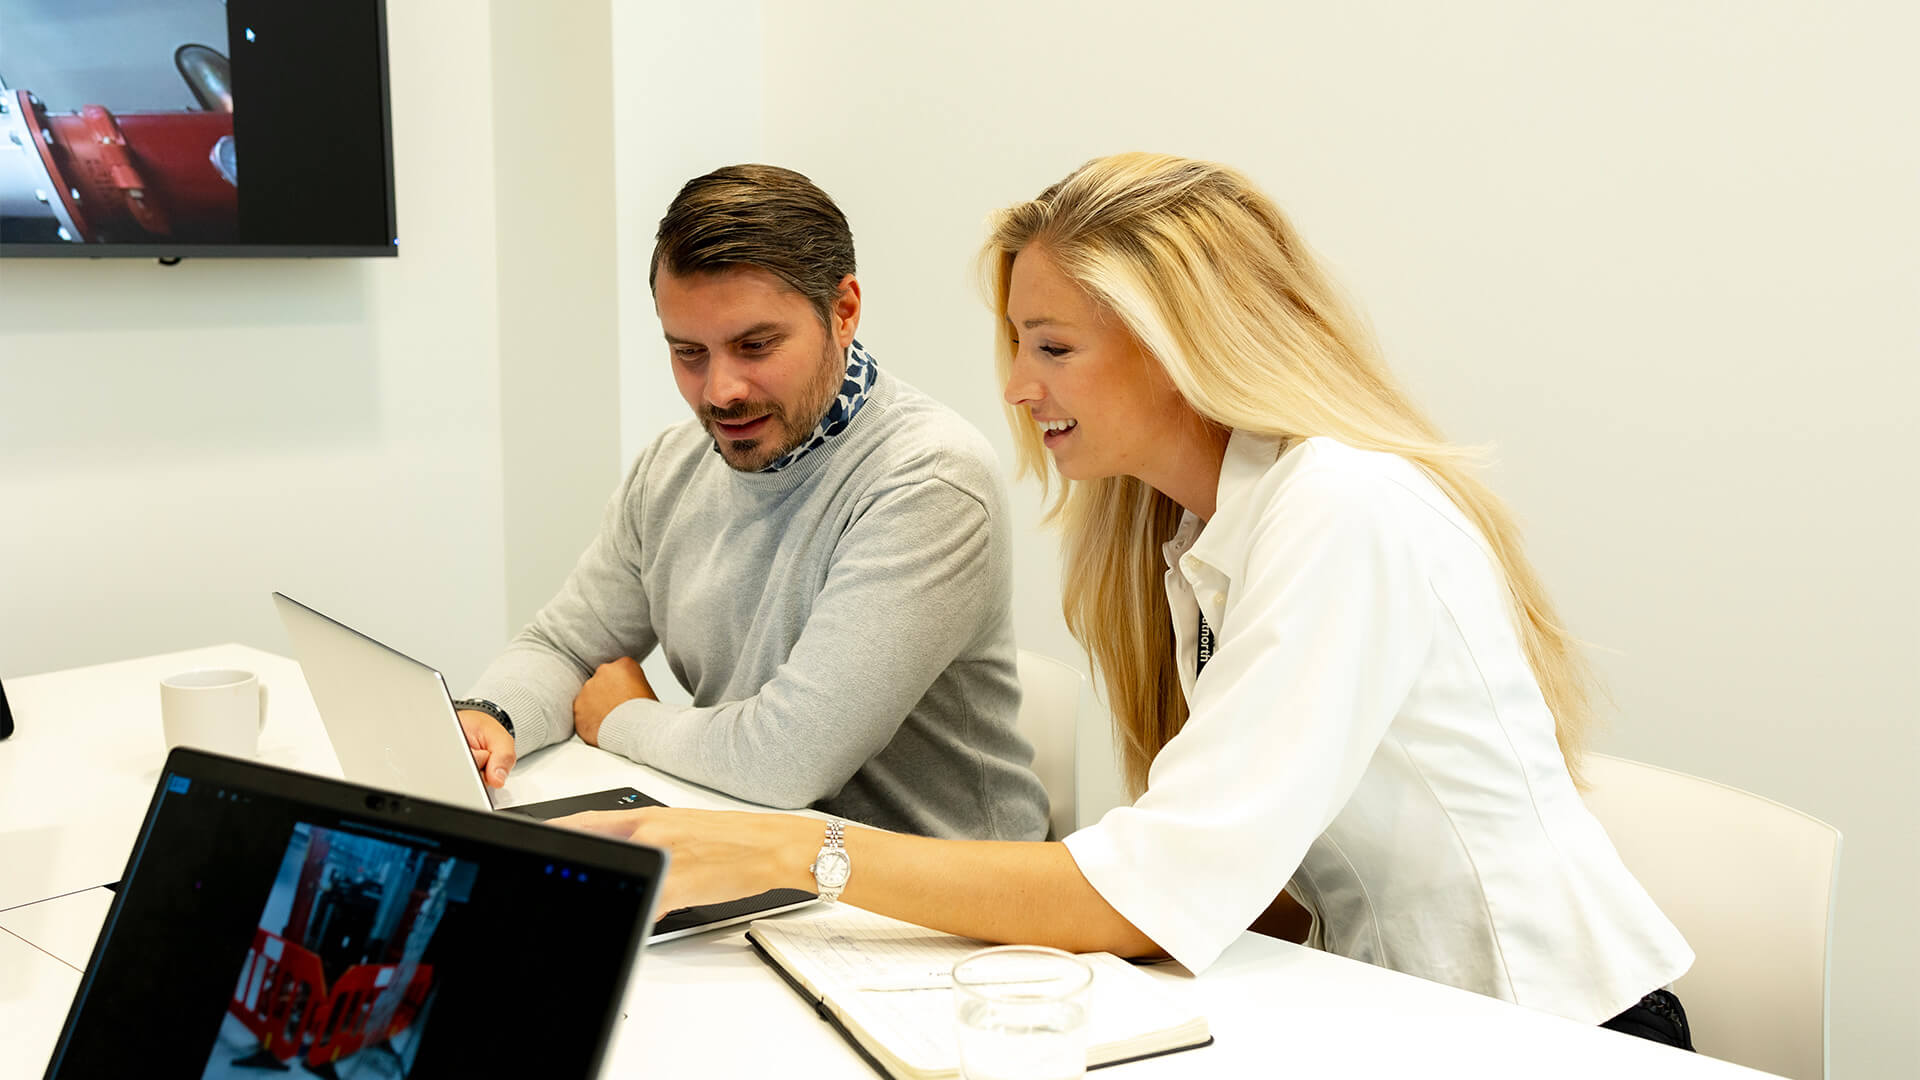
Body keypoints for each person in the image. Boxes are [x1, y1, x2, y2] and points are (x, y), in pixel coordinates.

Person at [562, 153, 1699, 1048]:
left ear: (1181, 344)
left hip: (1546, 1033)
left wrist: (791, 852)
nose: (1016, 386)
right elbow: (1210, 876)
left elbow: (1151, 892)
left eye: (1052, 345)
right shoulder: (1192, 532)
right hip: (1385, 1008)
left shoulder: (1342, 509)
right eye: (1017, 342)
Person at [457, 164, 1048, 842]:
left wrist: (621, 718)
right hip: (754, 852)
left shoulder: (929, 479)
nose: (721, 391)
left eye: (755, 346)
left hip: (935, 910)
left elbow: (787, 758)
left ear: (844, 309)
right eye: (689, 353)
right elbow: (563, 648)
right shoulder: (671, 469)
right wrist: (489, 719)